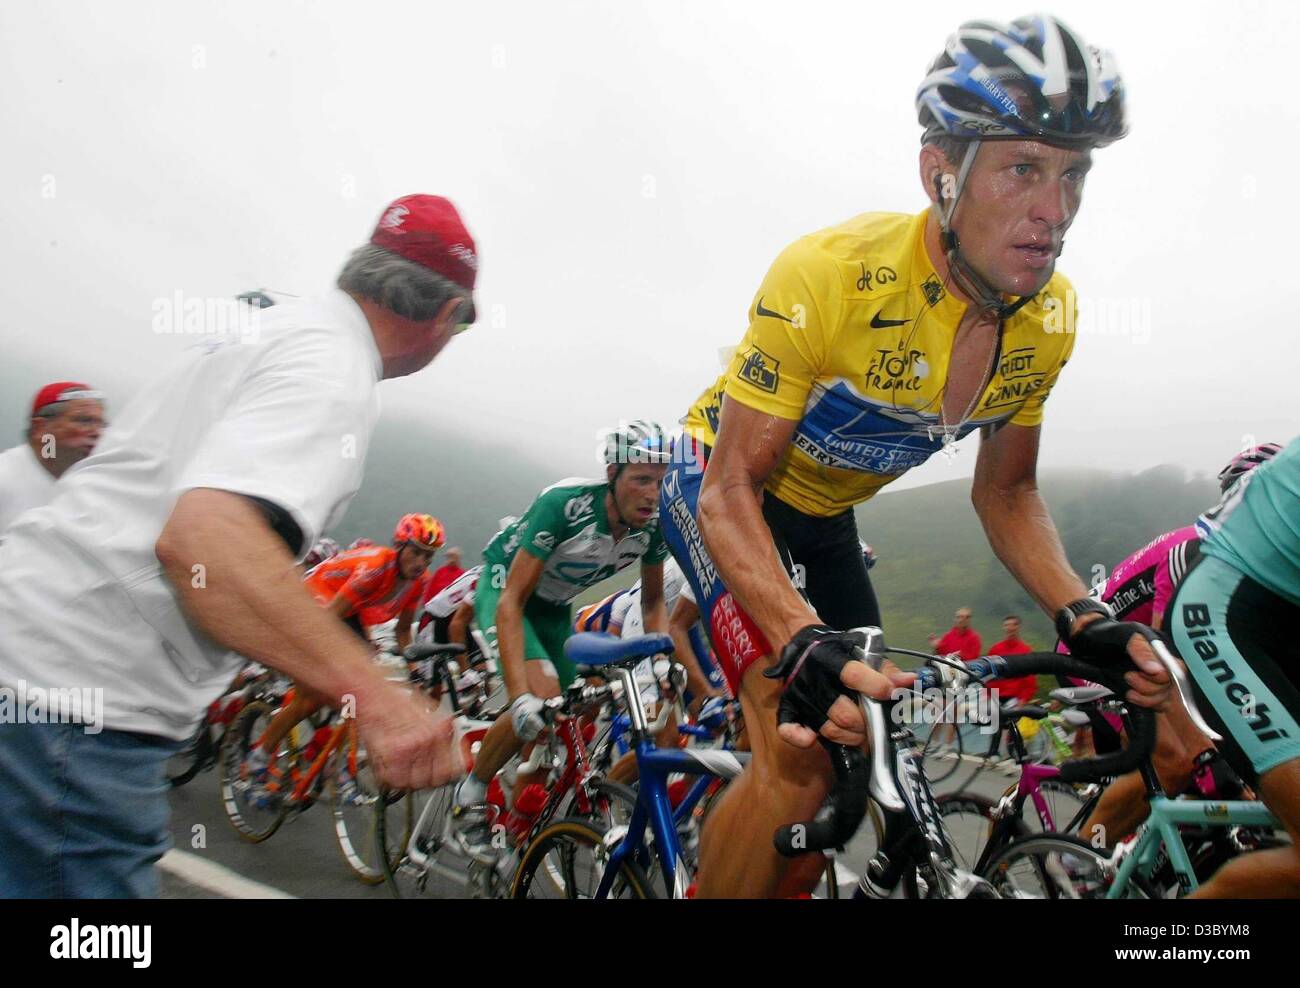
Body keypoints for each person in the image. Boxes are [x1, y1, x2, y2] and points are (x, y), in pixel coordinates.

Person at [657, 15, 1170, 898]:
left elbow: (1007, 493)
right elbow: (729, 487)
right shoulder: (830, 275)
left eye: (1073, 173)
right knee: (802, 744)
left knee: (863, 740)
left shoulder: (1047, 320)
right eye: (1023, 169)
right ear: (940, 172)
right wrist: (797, 635)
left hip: (822, 519)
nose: (1055, 212)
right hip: (720, 488)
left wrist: (1084, 616)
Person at [0, 193, 476, 897]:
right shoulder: (333, 370)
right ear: (444, 316)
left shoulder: (279, 329)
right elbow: (204, 546)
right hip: (76, 703)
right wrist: (375, 698)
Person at [446, 421, 673, 863]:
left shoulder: (654, 527)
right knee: (539, 699)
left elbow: (653, 605)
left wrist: (662, 660)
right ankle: (470, 789)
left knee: (573, 713)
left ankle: (520, 818)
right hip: (507, 589)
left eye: (661, 482)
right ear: (612, 475)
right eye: (641, 479)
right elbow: (512, 601)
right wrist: (518, 697)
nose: (652, 494)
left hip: (554, 609)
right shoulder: (565, 505)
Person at [1073, 442, 1283, 844]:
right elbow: (1169, 654)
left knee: (1205, 766)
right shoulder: (1192, 549)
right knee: (1174, 761)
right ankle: (1078, 857)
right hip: (1098, 653)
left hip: (1142, 659)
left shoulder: (1247, 567)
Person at [1166, 438, 1300, 897]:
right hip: (1218, 617)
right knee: (1174, 761)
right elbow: (1162, 653)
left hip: (1279, 624)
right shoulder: (1180, 546)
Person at [244, 513, 446, 788]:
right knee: (309, 699)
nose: (421, 563)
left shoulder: (419, 580)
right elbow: (328, 619)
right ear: (399, 546)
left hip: (349, 611)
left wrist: (415, 670)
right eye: (416, 553)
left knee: (360, 686)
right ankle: (258, 756)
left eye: (428, 557)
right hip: (318, 598)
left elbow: (402, 631)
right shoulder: (375, 567)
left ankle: (324, 751)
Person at [0, 382, 106, 539]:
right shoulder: (4, 476)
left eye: (102, 424)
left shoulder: (93, 489)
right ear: (41, 427)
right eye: (84, 421)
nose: (98, 432)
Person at [986, 615, 1035, 705]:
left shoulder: (1026, 651)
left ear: (1018, 627)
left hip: (1015, 699)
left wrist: (1024, 699)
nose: (1010, 628)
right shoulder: (995, 649)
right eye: (1007, 625)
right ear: (1003, 627)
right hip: (994, 698)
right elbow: (988, 675)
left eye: (1014, 625)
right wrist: (988, 696)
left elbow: (1030, 679)